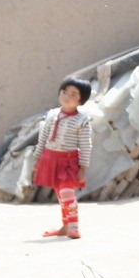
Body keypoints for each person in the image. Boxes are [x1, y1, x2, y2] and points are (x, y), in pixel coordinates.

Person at [35, 78, 93, 239]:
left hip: (69, 162)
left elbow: (86, 145)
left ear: (81, 100)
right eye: (64, 92)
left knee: (67, 193)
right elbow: (43, 137)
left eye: (73, 94)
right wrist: (37, 158)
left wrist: (83, 167)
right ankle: (65, 226)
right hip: (50, 159)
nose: (67, 96)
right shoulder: (52, 115)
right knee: (61, 196)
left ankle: (74, 227)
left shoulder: (82, 120)